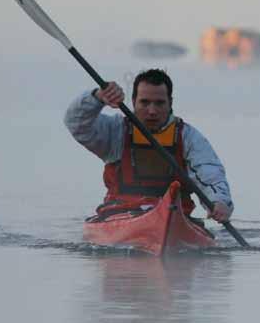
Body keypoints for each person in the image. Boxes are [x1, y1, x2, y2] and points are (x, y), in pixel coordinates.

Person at [64, 68, 233, 223]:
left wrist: (219, 202)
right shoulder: (115, 132)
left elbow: (210, 174)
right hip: (118, 217)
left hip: (173, 218)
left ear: (170, 103)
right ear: (133, 101)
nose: (152, 111)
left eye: (159, 103)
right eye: (144, 102)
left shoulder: (189, 137)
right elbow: (76, 123)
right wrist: (97, 97)